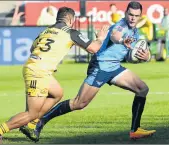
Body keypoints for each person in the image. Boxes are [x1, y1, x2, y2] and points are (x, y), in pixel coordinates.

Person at [20, 2, 156, 142]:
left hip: (114, 67)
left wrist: (146, 57)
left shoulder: (135, 31)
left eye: (136, 16)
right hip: (101, 66)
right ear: (126, 13)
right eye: (130, 15)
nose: (133, 18)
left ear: (140, 16)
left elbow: (129, 55)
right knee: (79, 103)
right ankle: (39, 122)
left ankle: (135, 130)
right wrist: (122, 40)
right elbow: (115, 36)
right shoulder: (120, 25)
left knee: (142, 89)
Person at [0, 7, 109, 144]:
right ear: (71, 19)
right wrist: (100, 38)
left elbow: (32, 48)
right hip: (38, 72)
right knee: (31, 113)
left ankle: (32, 125)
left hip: (38, 68)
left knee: (57, 93)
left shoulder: (46, 31)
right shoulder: (70, 32)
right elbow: (93, 48)